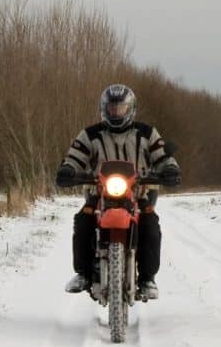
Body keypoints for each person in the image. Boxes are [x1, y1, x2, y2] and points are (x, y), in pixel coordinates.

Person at [55, 84, 181, 299]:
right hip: (99, 194)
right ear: (104, 109)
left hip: (138, 193)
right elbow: (75, 155)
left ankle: (147, 279)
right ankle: (83, 273)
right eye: (112, 108)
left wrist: (169, 167)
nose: (116, 112)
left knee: (151, 225)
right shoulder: (91, 134)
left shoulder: (147, 133)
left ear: (130, 109)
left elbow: (162, 155)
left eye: (120, 108)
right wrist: (69, 169)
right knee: (83, 221)